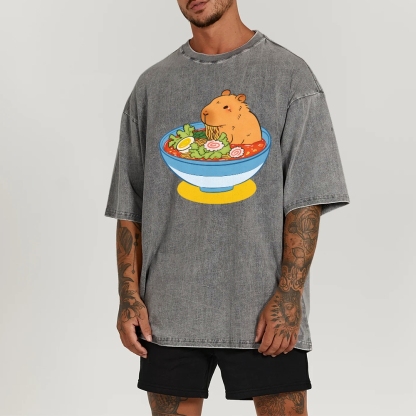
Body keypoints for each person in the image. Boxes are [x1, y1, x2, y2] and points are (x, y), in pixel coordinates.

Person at [104, 1, 350, 414]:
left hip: (264, 308)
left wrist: (288, 296)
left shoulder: (290, 76)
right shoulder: (152, 85)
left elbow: (305, 200)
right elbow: (131, 203)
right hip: (168, 313)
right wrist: (129, 296)